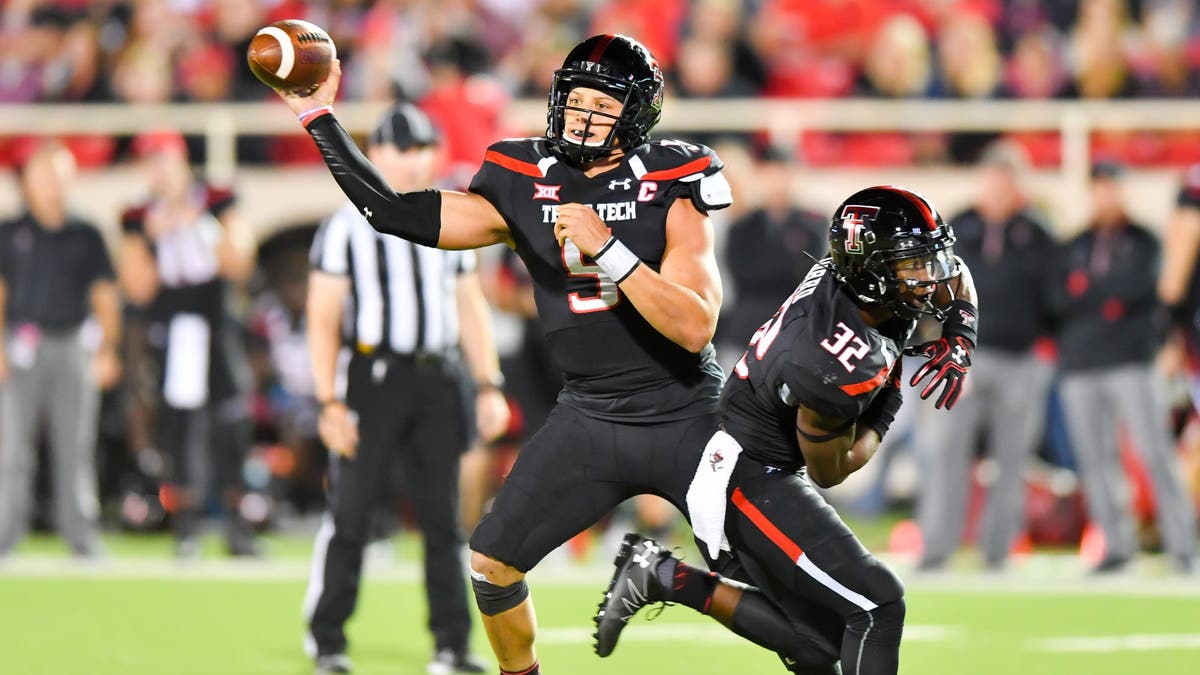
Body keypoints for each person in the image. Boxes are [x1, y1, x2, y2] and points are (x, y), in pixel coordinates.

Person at [275, 34, 732, 675]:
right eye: (575, 100)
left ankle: (674, 581)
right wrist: (317, 115)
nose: (582, 116)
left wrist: (610, 249)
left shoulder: (675, 175)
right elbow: (390, 212)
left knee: (774, 572)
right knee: (490, 562)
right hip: (590, 413)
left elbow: (693, 327)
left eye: (603, 104)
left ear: (636, 116)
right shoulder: (521, 176)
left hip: (683, 405)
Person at [595, 186, 979, 675]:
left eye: (927, 259)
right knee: (876, 605)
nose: (930, 279)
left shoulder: (858, 281)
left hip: (748, 454)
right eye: (912, 266)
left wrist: (960, 333)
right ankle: (664, 576)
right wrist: (887, 406)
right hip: (743, 472)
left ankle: (663, 575)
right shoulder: (830, 360)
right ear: (873, 273)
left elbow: (957, 272)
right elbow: (831, 470)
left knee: (817, 646)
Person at [302, 102, 510, 675]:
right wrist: (327, 400)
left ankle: (450, 643)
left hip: (438, 376)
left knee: (444, 520)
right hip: (374, 377)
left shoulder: (451, 215)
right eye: (402, 148)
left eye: (423, 148)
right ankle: (328, 639)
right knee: (353, 512)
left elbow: (469, 306)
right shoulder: (347, 225)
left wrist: (489, 381)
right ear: (379, 153)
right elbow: (322, 317)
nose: (415, 161)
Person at [116, 129, 260, 557]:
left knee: (230, 425)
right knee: (179, 430)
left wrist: (199, 225)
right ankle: (187, 526)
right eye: (150, 162)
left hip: (216, 322)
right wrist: (153, 237)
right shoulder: (139, 216)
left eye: (164, 159)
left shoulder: (216, 198)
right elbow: (137, 287)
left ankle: (237, 526)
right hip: (174, 327)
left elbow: (239, 260)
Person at [915, 142, 1057, 571]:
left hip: (1019, 357)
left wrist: (1044, 349)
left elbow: (1054, 299)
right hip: (961, 357)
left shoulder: (1037, 233)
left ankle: (997, 550)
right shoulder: (958, 227)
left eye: (1006, 181)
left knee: (1011, 457)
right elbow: (931, 289)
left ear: (1018, 186)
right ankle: (937, 547)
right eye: (992, 180)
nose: (997, 190)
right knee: (946, 453)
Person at [1053, 161, 1197, 575]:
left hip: (1134, 361)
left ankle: (1182, 546)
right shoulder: (1074, 244)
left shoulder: (1144, 241)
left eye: (1110, 188)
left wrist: (1093, 296)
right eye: (1097, 189)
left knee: (1156, 453)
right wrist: (1103, 301)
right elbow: (1060, 299)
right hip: (1081, 363)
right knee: (1096, 460)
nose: (1105, 197)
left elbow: (1139, 289)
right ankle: (1116, 545)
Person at [0, 140, 121, 558]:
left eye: (59, 174)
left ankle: (81, 536)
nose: (52, 184)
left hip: (72, 343)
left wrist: (107, 349)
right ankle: (5, 535)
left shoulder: (85, 234)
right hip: (21, 345)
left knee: (75, 446)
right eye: (44, 174)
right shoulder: (9, 233)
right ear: (27, 182)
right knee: (12, 447)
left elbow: (105, 296)